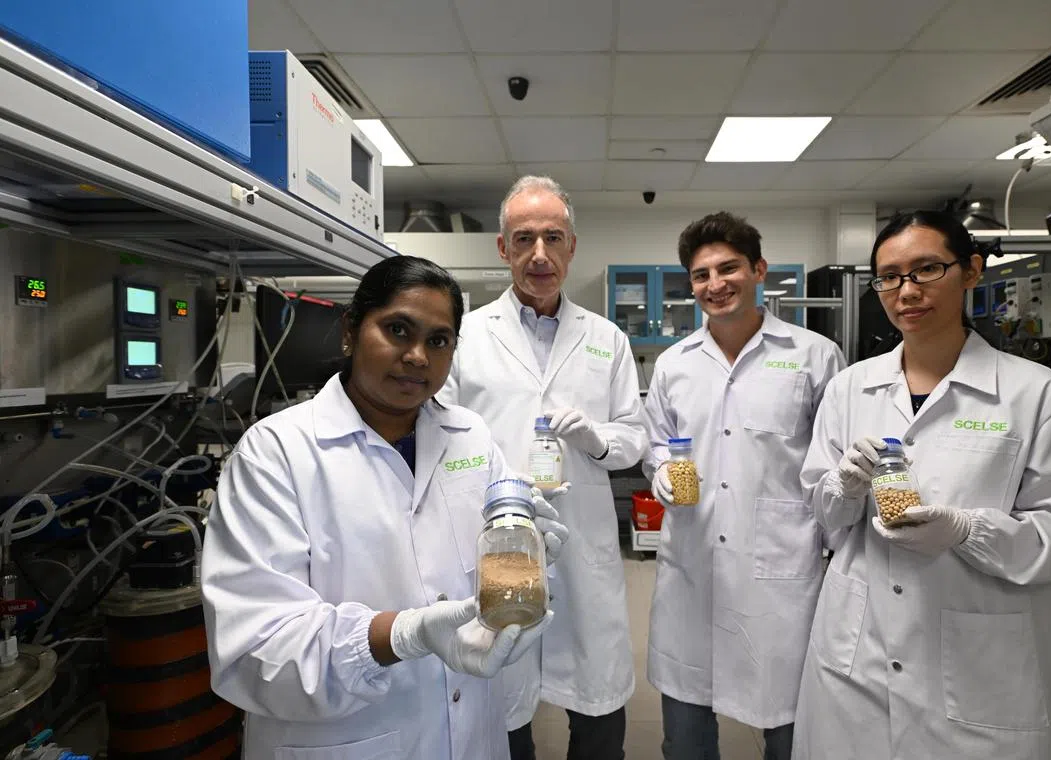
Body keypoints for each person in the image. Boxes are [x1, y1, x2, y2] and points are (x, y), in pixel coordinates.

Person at [201, 256, 570, 760]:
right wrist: (402, 635)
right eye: (398, 329)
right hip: (344, 739)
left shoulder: (472, 438)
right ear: (351, 331)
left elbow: (492, 569)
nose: (418, 356)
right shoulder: (276, 453)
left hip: (471, 731)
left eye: (438, 341)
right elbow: (253, 652)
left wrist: (527, 548)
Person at [791, 210, 1051, 760]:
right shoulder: (850, 389)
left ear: (970, 271)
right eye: (890, 276)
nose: (906, 291)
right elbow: (823, 512)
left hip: (977, 661)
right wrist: (843, 487)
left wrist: (968, 531)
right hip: (857, 652)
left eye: (926, 270)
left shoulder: (1034, 394)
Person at [439, 176, 647, 760]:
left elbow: (634, 438)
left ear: (572, 247)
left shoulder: (606, 339)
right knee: (502, 707)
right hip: (497, 540)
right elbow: (439, 435)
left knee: (598, 702)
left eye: (553, 237)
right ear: (502, 249)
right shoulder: (466, 335)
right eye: (523, 238)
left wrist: (597, 439)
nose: (539, 254)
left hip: (582, 544)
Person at [641, 211, 846, 760]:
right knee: (683, 735)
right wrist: (661, 470)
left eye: (728, 268)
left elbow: (834, 462)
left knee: (790, 729)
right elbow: (657, 444)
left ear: (759, 270)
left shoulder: (814, 357)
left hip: (780, 572)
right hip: (694, 563)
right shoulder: (673, 365)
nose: (715, 284)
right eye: (701, 275)